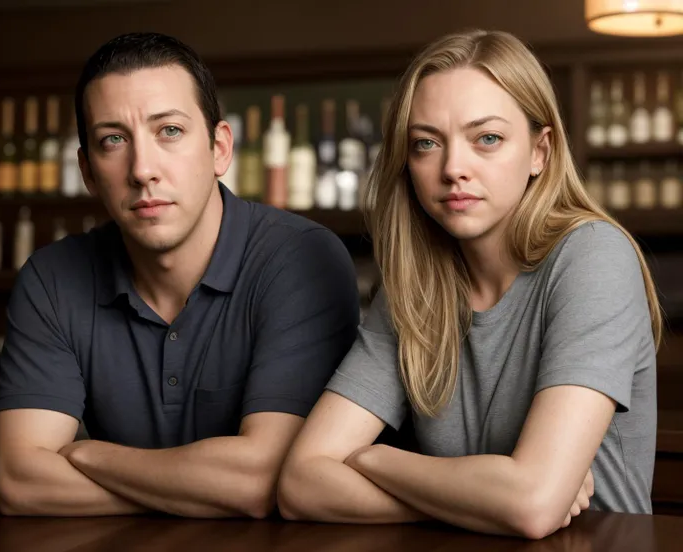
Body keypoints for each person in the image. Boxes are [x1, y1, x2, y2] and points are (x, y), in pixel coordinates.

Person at [277, 29, 662, 540]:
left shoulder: (593, 256)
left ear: (539, 152)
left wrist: (377, 459)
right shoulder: (414, 287)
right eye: (427, 143)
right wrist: (483, 501)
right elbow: (301, 482)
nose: (454, 168)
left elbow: (531, 504)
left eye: (487, 139)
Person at [0, 32, 360, 518]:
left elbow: (261, 480)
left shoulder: (300, 259)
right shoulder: (52, 277)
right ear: (87, 170)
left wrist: (87, 454)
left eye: (169, 131)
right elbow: (19, 481)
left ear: (220, 148)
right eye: (113, 140)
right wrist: (198, 486)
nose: (143, 169)